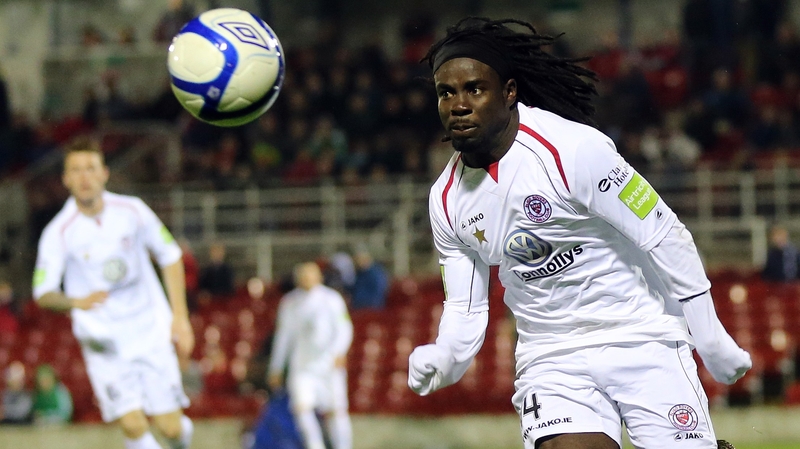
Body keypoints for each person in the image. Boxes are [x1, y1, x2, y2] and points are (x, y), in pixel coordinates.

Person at [406, 18, 751, 449]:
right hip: (551, 355)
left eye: (474, 89)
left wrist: (710, 335)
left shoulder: (574, 151)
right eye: (446, 92)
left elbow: (664, 234)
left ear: (509, 92)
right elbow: (465, 306)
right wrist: (447, 355)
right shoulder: (446, 200)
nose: (458, 104)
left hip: (641, 335)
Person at [32, 137, 194, 449]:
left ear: (104, 173)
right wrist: (74, 301)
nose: (84, 177)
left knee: (170, 428)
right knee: (133, 424)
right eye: (76, 170)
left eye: (90, 168)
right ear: (65, 179)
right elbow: (43, 292)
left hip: (149, 331)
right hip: (104, 342)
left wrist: (181, 319)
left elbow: (170, 256)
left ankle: (180, 438)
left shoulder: (132, 210)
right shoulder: (58, 232)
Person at [268, 262, 353, 449]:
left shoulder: (332, 299)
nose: (306, 278)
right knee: (302, 408)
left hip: (328, 363)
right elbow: (283, 337)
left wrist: (340, 351)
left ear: (319, 276)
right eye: (302, 274)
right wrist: (276, 367)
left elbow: (344, 328)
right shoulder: (289, 302)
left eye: (310, 274)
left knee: (336, 411)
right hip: (302, 365)